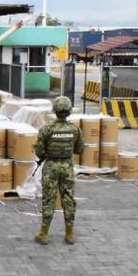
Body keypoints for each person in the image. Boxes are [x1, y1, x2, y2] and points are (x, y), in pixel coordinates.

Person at [33, 96, 84, 245]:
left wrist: (45, 155)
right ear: (69, 111)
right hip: (67, 168)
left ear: (54, 111)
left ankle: (43, 234)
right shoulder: (75, 129)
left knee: (48, 199)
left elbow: (39, 150)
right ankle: (69, 233)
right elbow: (79, 149)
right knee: (68, 198)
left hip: (50, 167)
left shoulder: (46, 129)